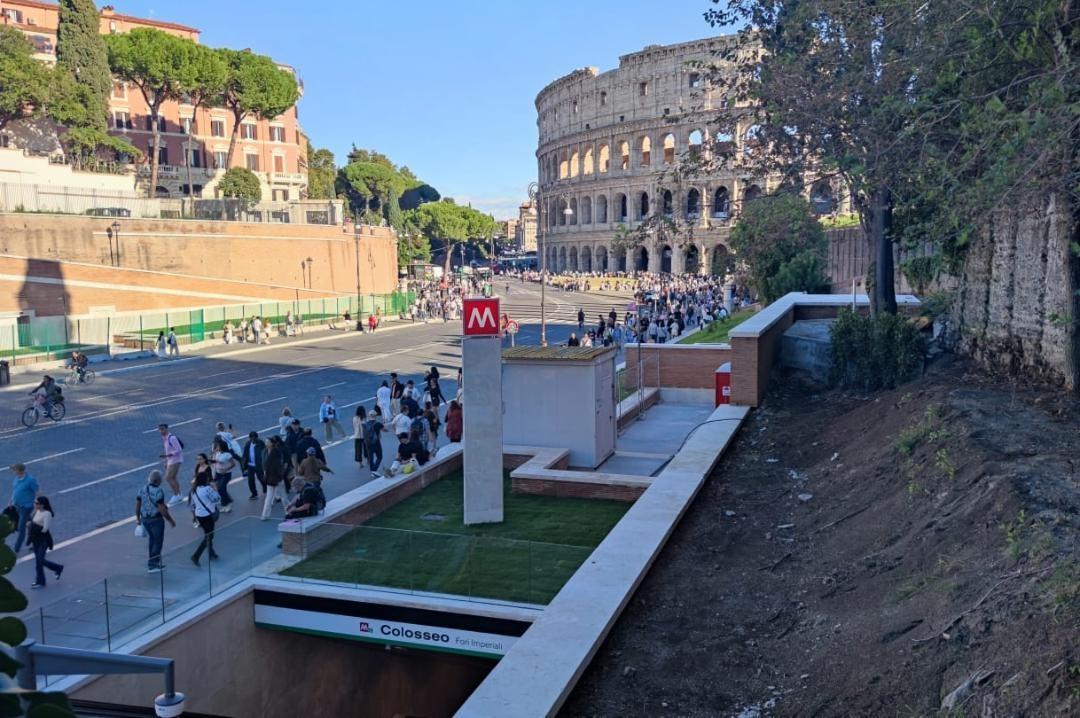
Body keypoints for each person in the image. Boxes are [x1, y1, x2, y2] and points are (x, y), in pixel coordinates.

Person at [135, 470, 176, 573]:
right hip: (156, 520)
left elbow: (137, 504)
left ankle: (152, 561)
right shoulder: (158, 491)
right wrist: (170, 520)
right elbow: (161, 508)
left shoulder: (142, 489)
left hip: (145, 519)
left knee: (152, 541)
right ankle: (153, 564)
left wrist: (138, 518)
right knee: (158, 542)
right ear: (158, 480)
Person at [29, 496, 61, 589]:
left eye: (36, 503)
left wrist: (35, 531)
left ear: (42, 505)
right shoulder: (36, 511)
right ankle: (42, 579)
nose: (35, 504)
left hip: (43, 540)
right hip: (35, 540)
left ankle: (42, 579)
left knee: (40, 561)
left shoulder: (47, 514)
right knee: (38, 561)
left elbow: (45, 528)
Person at [190, 470, 220, 566]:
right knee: (209, 536)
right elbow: (217, 499)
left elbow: (192, 505)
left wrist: (194, 517)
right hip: (208, 515)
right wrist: (215, 488)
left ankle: (211, 553)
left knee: (207, 534)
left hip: (199, 515)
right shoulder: (207, 489)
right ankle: (196, 555)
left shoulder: (194, 490)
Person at [9, 463, 38, 553]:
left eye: (14, 469)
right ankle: (36, 541)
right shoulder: (17, 478)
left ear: (20, 470)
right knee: (29, 524)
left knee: (21, 528)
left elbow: (37, 491)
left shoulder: (30, 480)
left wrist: (38, 505)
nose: (13, 471)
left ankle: (16, 549)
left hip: (26, 507)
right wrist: (11, 501)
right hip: (18, 505)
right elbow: (15, 490)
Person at [157, 424, 185, 506]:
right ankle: (179, 494)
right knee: (173, 477)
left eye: (162, 429)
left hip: (175, 460)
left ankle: (176, 494)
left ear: (167, 429)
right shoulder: (164, 438)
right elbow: (167, 450)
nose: (161, 431)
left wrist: (168, 456)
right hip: (171, 460)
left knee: (168, 478)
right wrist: (166, 461)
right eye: (160, 429)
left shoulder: (172, 438)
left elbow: (179, 449)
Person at [261, 436, 289, 521]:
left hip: (276, 477)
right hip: (270, 476)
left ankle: (288, 512)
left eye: (267, 442)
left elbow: (279, 465)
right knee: (273, 496)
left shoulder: (276, 452)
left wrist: (280, 475)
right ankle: (265, 514)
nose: (266, 443)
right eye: (265, 442)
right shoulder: (265, 451)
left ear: (272, 443)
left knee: (282, 497)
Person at [210, 438, 236, 513]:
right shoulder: (218, 453)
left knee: (222, 488)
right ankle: (225, 504)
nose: (217, 448)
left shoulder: (228, 455)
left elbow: (233, 464)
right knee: (219, 489)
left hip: (225, 474)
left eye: (218, 446)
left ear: (222, 447)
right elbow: (215, 462)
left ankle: (228, 504)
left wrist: (226, 469)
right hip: (218, 474)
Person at [242, 431, 266, 500]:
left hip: (259, 465)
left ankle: (265, 488)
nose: (253, 440)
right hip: (250, 465)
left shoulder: (261, 443)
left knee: (261, 478)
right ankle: (254, 493)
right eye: (252, 438)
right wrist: (244, 466)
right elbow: (245, 455)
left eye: (254, 439)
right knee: (250, 480)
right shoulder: (248, 444)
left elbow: (264, 453)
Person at [363, 410, 385, 476]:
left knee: (371, 458)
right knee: (379, 456)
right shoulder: (377, 423)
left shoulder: (365, 424)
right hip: (376, 442)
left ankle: (372, 471)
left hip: (367, 443)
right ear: (375, 416)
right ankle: (374, 470)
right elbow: (385, 429)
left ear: (369, 416)